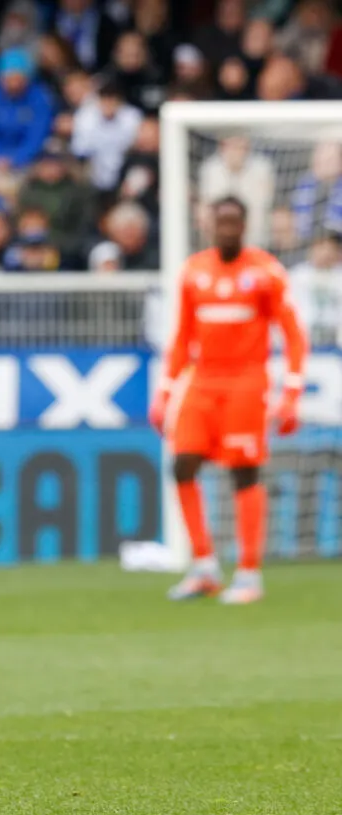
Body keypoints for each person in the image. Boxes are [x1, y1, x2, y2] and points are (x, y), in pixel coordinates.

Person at [149, 197, 309, 604]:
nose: (227, 228)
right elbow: (182, 337)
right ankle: (203, 565)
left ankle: (249, 573)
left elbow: (293, 334)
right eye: (221, 221)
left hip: (246, 380)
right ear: (209, 225)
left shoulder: (266, 272)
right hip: (202, 381)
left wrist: (291, 393)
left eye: (234, 221)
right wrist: (165, 391)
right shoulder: (194, 272)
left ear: (245, 225)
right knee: (182, 462)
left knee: (244, 471)